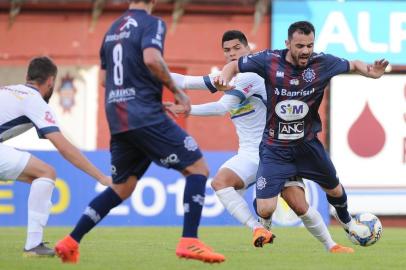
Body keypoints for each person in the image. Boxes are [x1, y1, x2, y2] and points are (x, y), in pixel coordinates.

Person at [54, 0, 225, 264]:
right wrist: (179, 92)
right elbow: (152, 58)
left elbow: (103, 79)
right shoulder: (152, 23)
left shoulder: (111, 29)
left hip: (118, 119)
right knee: (198, 169)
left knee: (122, 188)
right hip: (145, 114)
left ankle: (70, 241)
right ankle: (190, 240)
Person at [168, 30, 353, 253]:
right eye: (227, 50)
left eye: (237, 48)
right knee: (221, 183)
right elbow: (190, 81)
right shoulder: (232, 76)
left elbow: (221, 107)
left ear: (248, 50)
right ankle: (259, 228)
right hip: (249, 153)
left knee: (299, 205)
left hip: (275, 150)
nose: (232, 53)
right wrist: (153, 73)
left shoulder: (253, 75)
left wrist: (188, 109)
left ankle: (331, 245)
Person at [215, 21, 389, 244]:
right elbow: (235, 65)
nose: (306, 50)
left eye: (309, 45)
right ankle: (264, 225)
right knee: (265, 207)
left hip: (307, 145)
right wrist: (224, 76)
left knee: (335, 190)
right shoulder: (270, 60)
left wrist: (370, 72)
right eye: (300, 46)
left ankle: (349, 224)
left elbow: (353, 64)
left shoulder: (323, 63)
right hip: (275, 147)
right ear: (288, 44)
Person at [0, 56, 111, 257]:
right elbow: (64, 147)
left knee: (39, 174)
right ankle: (33, 246)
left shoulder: (8, 90)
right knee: (46, 173)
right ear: (51, 81)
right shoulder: (34, 100)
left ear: (27, 76)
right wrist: (100, 177)